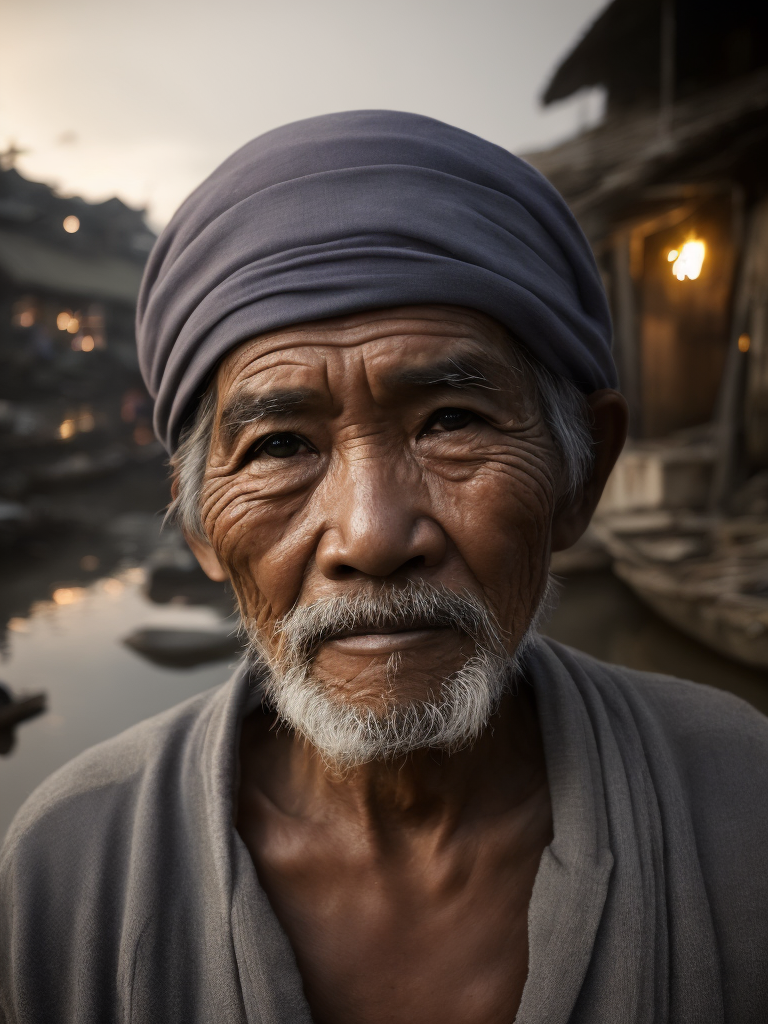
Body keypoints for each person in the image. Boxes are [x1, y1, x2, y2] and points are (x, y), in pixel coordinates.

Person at [1, 111, 767, 1024]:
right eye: (281, 443)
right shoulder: (71, 863)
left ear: (581, 474)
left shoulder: (742, 804)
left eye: (451, 421)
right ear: (201, 520)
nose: (370, 536)